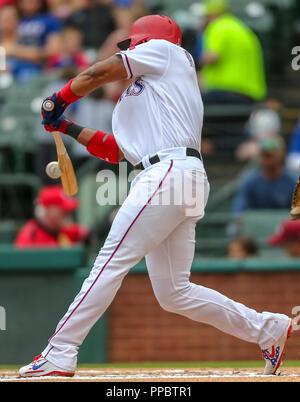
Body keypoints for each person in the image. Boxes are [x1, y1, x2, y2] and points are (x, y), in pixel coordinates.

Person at [19, 15, 292, 378]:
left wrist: (60, 97)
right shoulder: (145, 96)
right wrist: (67, 127)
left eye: (132, 44)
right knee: (174, 292)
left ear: (147, 41)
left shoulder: (168, 54)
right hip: (176, 176)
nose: (129, 50)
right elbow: (117, 151)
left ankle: (60, 351)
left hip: (169, 173)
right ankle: (266, 329)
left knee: (109, 261)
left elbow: (100, 72)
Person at [199, 0, 267, 104]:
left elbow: (212, 57)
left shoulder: (218, 27)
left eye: (204, 17)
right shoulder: (240, 28)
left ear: (211, 15)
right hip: (250, 94)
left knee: (189, 103)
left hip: (226, 92)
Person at [232, 137, 297, 218]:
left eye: (269, 155)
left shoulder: (292, 182)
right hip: (255, 227)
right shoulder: (249, 181)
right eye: (263, 155)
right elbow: (238, 211)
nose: (266, 159)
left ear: (281, 155)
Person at [4, 0, 62, 83]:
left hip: (33, 67)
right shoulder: (16, 18)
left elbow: (53, 50)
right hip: (10, 64)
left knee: (26, 75)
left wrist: (16, 51)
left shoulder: (50, 20)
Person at [15, 185, 89, 248]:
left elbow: (80, 232)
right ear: (47, 210)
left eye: (68, 211)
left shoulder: (59, 229)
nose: (67, 214)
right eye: (63, 211)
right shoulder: (30, 237)